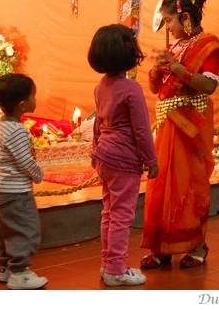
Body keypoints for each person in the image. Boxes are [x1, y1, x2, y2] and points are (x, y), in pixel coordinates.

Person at [140, 0, 219, 269]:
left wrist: (176, 68)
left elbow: (208, 87)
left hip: (191, 126)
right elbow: (156, 89)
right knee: (160, 185)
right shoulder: (174, 44)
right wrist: (156, 71)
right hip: (167, 125)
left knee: (191, 184)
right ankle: (161, 247)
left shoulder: (208, 44)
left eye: (169, 21)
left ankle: (197, 246)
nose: (168, 28)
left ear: (185, 18)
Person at [87, 24, 159, 287]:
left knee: (109, 212)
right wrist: (151, 160)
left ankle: (109, 264)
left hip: (104, 155)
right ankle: (116, 268)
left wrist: (95, 151)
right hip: (124, 160)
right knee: (122, 216)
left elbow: (98, 124)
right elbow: (141, 130)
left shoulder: (101, 86)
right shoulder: (131, 89)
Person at [0, 73, 48, 289]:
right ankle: (19, 272)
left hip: (1, 191)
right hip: (16, 194)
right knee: (25, 231)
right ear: (23, 105)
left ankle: (5, 268)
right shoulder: (18, 131)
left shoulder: (1, 126)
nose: (36, 99)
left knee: (6, 232)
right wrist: (38, 174)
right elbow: (24, 161)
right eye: (34, 95)